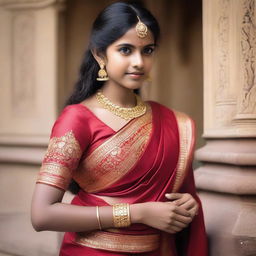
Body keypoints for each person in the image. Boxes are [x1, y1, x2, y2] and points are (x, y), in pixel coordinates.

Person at [31, 1, 208, 255]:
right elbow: (42, 214)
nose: (138, 61)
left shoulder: (172, 122)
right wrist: (138, 213)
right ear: (99, 54)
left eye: (147, 50)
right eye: (126, 50)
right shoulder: (78, 119)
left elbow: (180, 195)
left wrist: (188, 205)